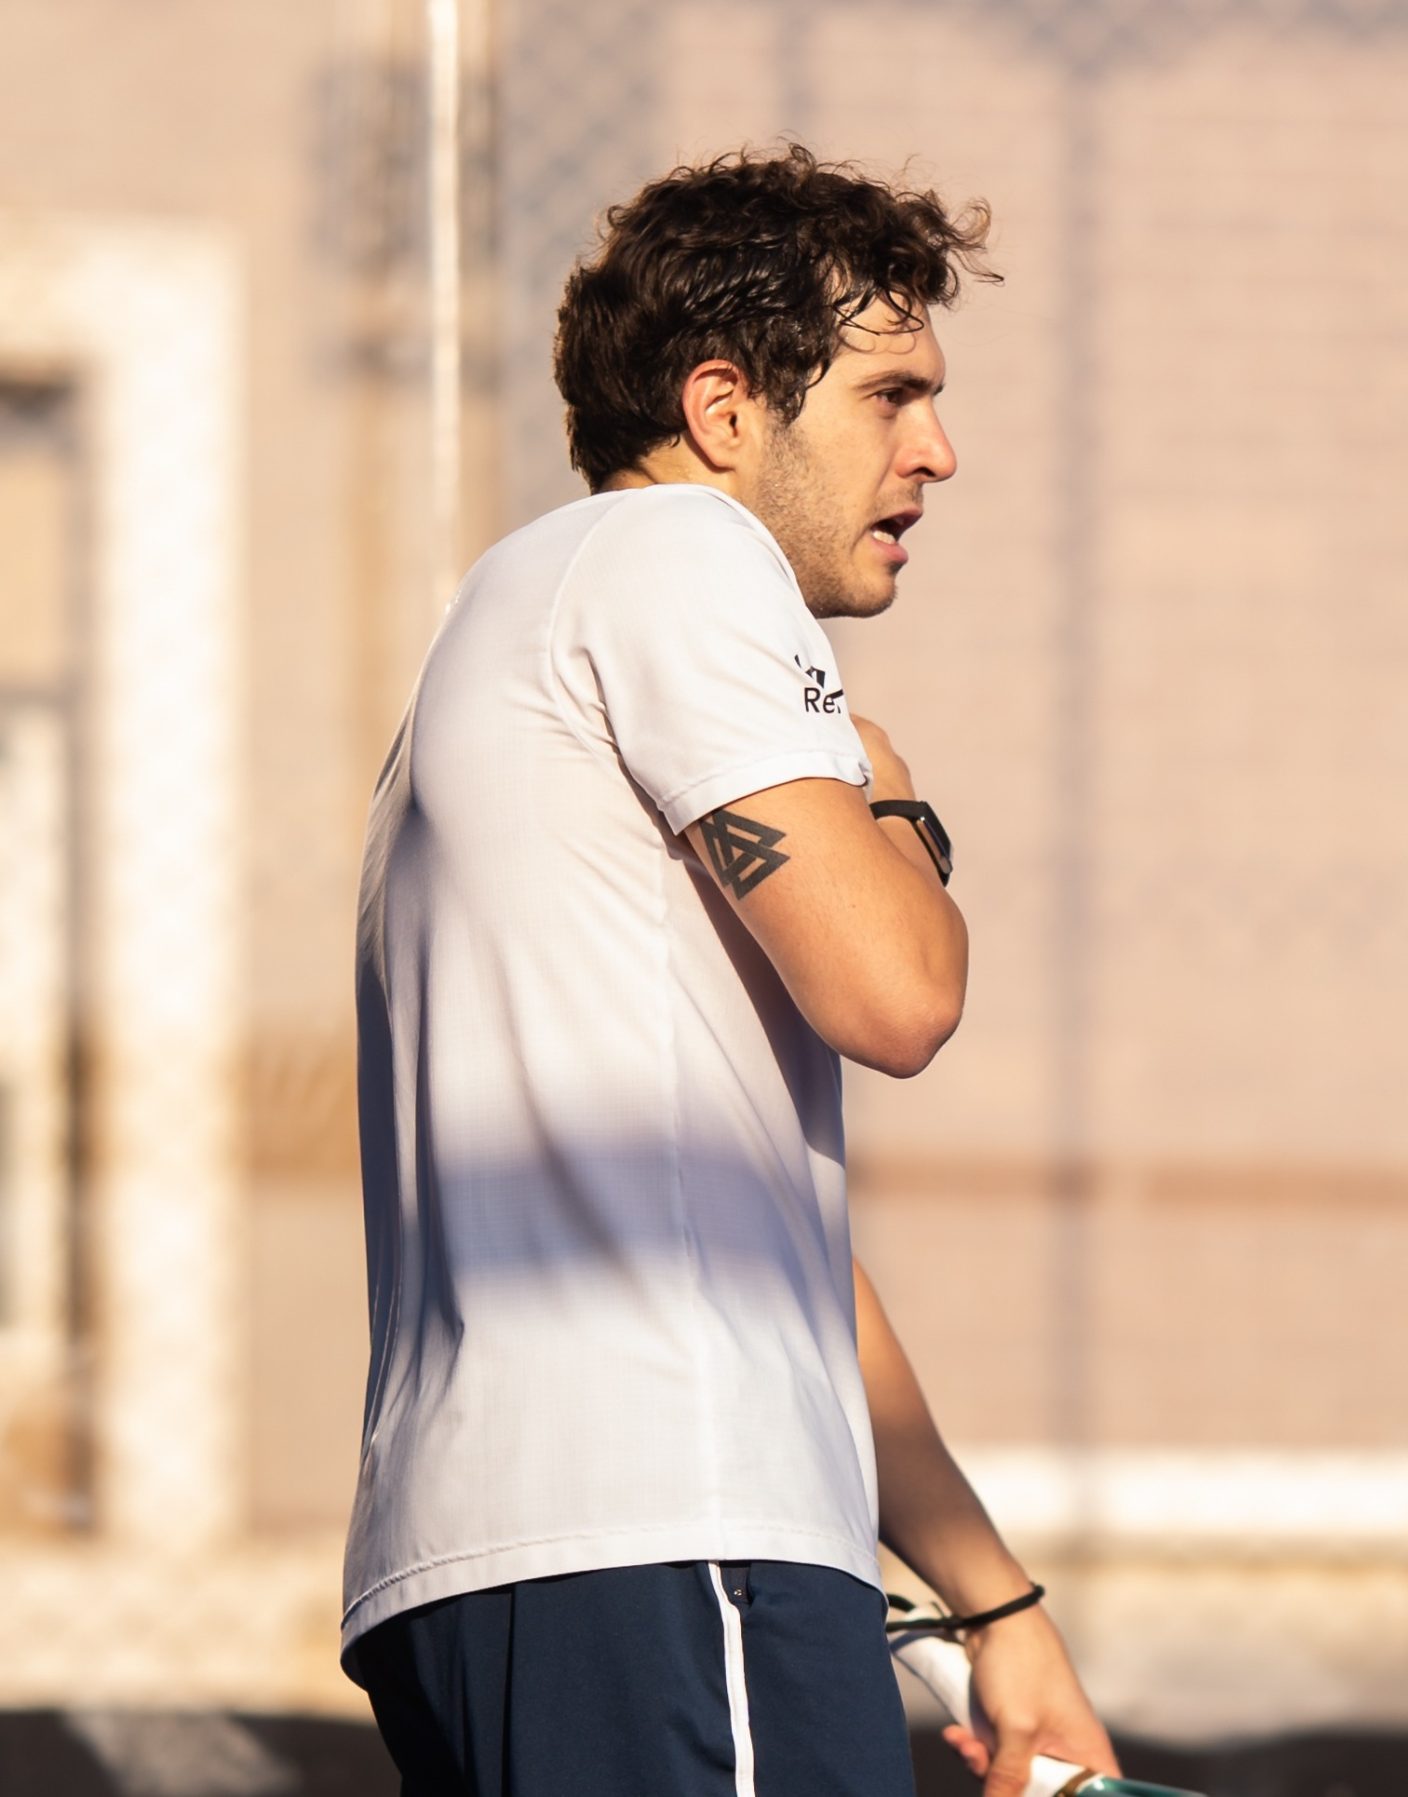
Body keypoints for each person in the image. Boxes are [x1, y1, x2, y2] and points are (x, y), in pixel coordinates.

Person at [346, 147, 1118, 1797]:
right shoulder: (681, 558)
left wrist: (997, 1606)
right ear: (723, 408)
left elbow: (773, 1246)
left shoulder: (521, 621)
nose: (939, 450)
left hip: (516, 1560)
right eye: (892, 393)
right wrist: (889, 800)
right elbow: (898, 995)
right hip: (670, 1543)